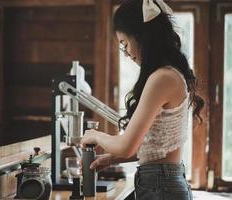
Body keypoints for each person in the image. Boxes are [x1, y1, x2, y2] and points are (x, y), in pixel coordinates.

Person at [80, 0, 204, 199]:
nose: (127, 53)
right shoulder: (168, 75)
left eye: (125, 44)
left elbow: (126, 145)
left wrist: (95, 135)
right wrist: (112, 159)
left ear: (141, 38)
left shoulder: (162, 78)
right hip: (163, 182)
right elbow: (157, 150)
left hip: (160, 186)